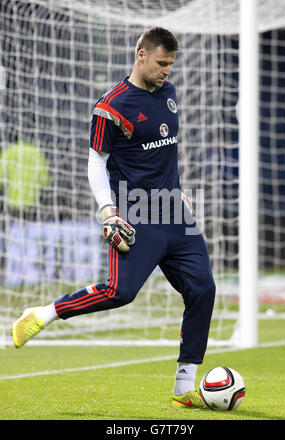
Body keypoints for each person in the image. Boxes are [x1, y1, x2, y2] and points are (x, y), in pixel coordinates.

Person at [12, 27, 216, 409]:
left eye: (171, 65)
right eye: (161, 63)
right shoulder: (111, 105)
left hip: (176, 213)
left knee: (204, 289)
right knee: (120, 293)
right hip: (137, 214)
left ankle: (184, 385)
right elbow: (96, 162)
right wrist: (108, 211)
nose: (167, 71)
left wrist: (179, 189)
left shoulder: (169, 94)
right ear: (141, 55)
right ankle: (44, 313)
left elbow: (165, 152)